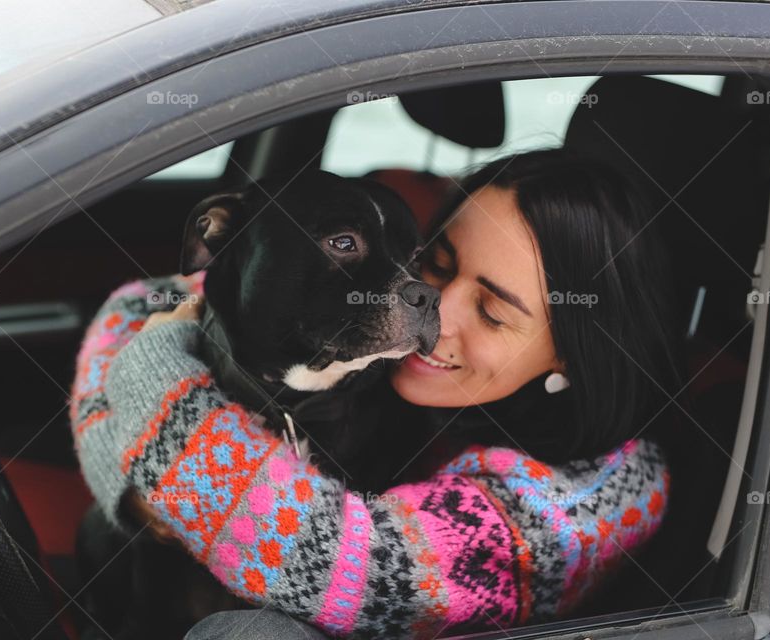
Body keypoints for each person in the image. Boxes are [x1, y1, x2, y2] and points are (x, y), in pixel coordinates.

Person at [70, 148, 681, 639]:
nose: (435, 311)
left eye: (493, 313)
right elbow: (146, 302)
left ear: (573, 352)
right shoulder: (384, 358)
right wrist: (137, 490)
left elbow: (325, 557)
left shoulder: (585, 505)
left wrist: (152, 379)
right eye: (435, 266)